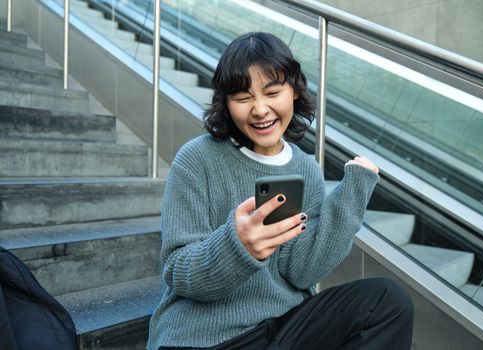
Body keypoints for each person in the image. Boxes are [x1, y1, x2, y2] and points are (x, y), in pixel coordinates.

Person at [147, 32, 413, 350]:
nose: (260, 109)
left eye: (272, 92)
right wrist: (239, 247)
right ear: (226, 104)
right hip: (210, 338)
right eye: (243, 98)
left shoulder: (306, 169)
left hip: (287, 328)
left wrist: (353, 193)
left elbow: (301, 273)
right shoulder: (197, 160)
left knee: (387, 301)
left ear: (294, 93)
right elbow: (177, 271)